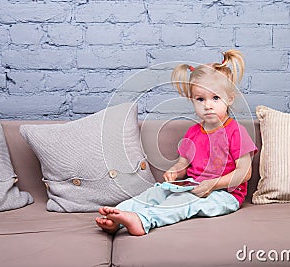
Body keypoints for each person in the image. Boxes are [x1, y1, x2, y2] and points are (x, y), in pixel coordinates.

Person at [95, 49, 258, 236]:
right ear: (193, 101)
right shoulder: (194, 132)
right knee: (156, 192)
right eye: (200, 99)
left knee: (181, 204)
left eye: (215, 97)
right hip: (193, 185)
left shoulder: (236, 132)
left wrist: (212, 184)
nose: (208, 105)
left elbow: (244, 172)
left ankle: (142, 221)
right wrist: (175, 171)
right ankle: (118, 216)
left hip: (224, 195)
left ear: (229, 99)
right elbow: (184, 163)